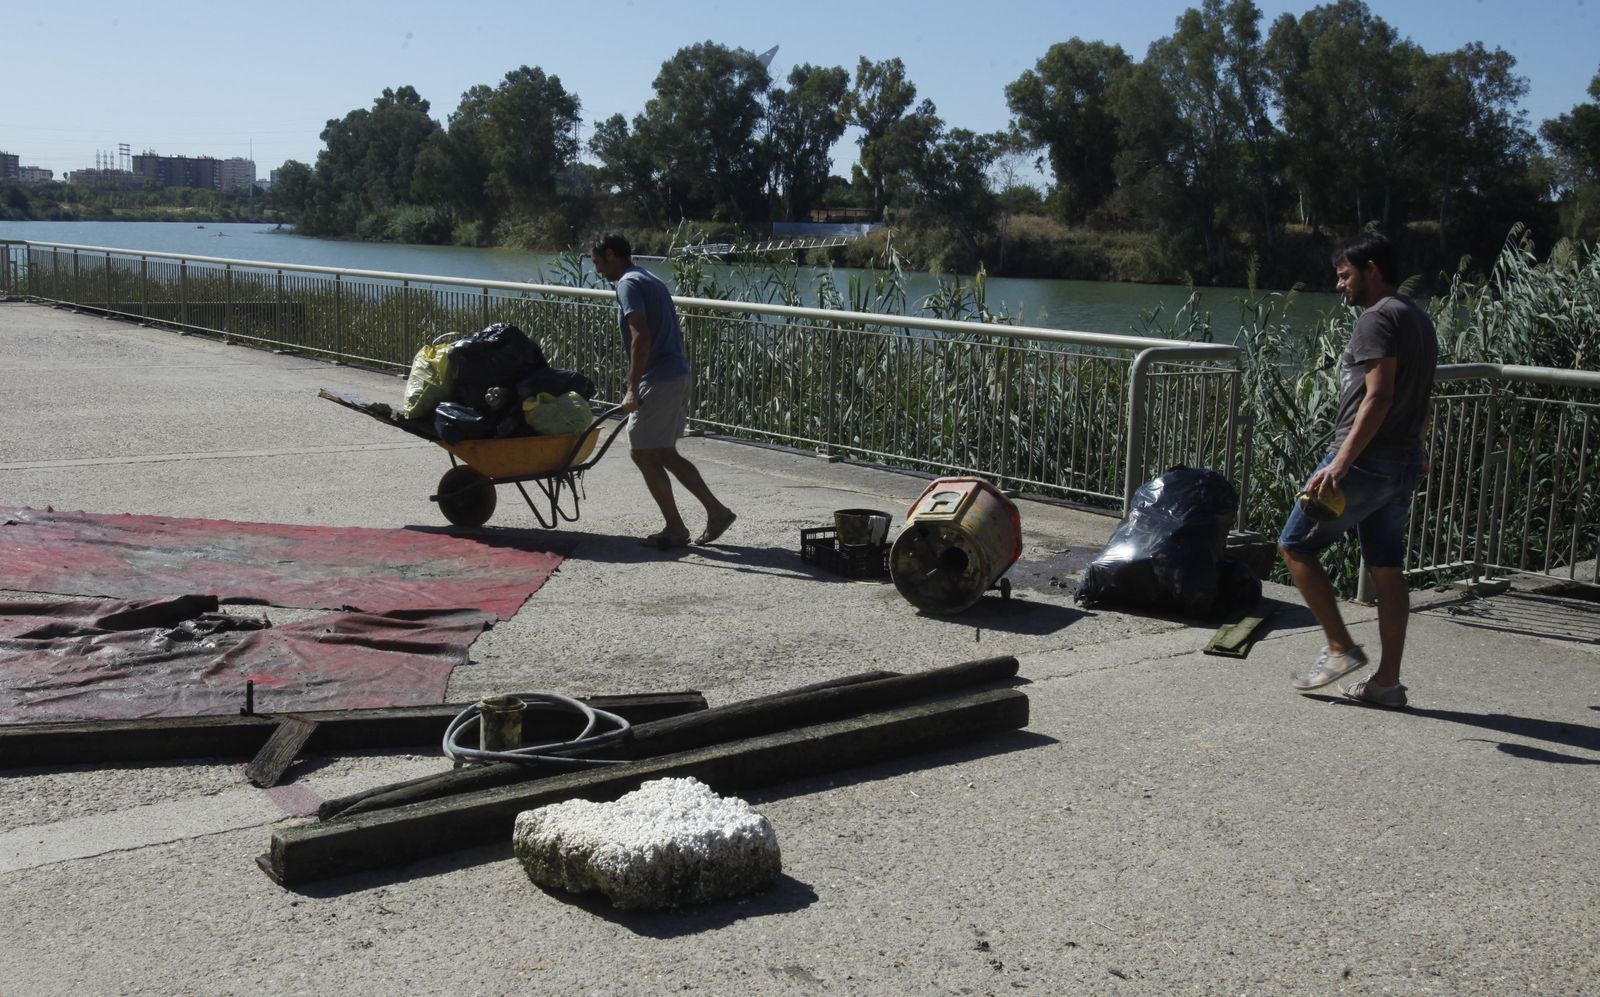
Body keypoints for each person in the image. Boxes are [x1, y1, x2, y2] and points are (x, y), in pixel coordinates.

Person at [1281, 230, 1437, 708]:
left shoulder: (1376, 319)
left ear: (1372, 270)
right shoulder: (1418, 318)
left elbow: (1381, 395)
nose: (1340, 285)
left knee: (1294, 547)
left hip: (1364, 460)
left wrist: (1340, 463)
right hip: (1402, 459)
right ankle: (1386, 685)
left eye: (1345, 275)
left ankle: (1338, 647)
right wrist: (1419, 445)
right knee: (1387, 569)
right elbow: (1422, 391)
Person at [588, 233, 737, 549]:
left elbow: (641, 337)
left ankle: (676, 527)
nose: (598, 270)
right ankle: (716, 512)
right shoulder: (649, 277)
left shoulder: (628, 284)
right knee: (663, 452)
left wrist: (632, 389)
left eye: (598, 262)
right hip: (676, 373)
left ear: (611, 255)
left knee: (642, 452)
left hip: (661, 378)